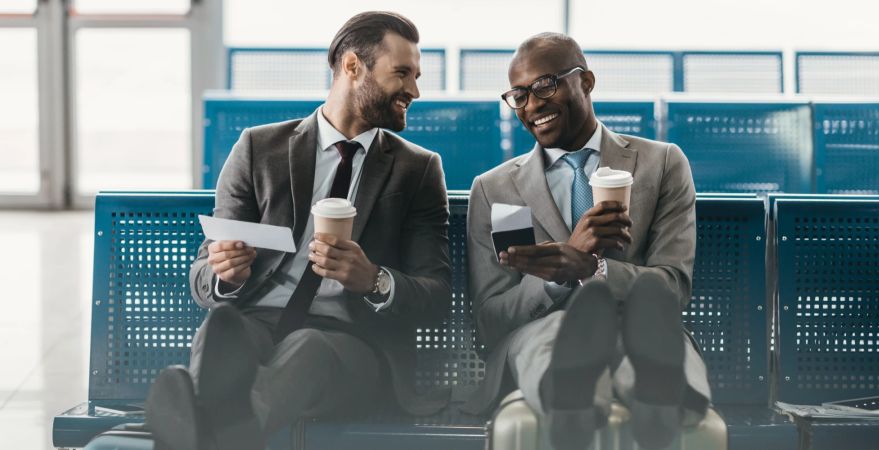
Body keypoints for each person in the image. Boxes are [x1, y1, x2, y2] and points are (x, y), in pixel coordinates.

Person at [144, 11, 452, 450]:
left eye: (416, 76)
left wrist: (374, 280)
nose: (414, 90)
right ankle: (225, 432)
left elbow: (435, 294)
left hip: (352, 346)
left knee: (308, 346)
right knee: (222, 328)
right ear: (352, 67)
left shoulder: (416, 170)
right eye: (401, 73)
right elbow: (202, 278)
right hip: (257, 326)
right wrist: (225, 275)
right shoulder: (259, 149)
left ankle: (201, 429)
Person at [462, 33, 710, 450]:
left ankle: (657, 400)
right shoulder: (496, 190)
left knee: (651, 340)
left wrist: (594, 269)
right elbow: (492, 319)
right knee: (554, 333)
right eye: (519, 95)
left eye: (545, 85)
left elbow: (672, 286)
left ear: (587, 82)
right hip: (540, 328)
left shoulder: (661, 164)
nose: (533, 105)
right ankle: (577, 400)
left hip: (639, 327)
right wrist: (561, 273)